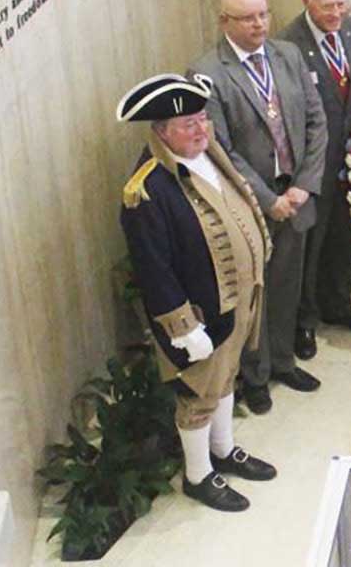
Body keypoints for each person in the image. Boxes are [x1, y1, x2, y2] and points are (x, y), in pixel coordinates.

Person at [117, 73, 278, 512]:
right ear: (161, 132)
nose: (200, 130)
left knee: (226, 377)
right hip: (199, 314)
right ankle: (198, 474)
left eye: (203, 118)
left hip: (237, 300)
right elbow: (153, 268)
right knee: (199, 394)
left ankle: (223, 451)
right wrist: (182, 327)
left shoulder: (211, 156)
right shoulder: (147, 189)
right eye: (188, 124)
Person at [190, 0, 327, 414]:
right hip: (252, 201)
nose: (260, 24)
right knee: (256, 294)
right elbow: (222, 150)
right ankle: (256, 376)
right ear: (225, 21)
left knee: (288, 284)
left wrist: (304, 184)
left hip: (297, 193)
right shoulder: (208, 74)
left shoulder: (287, 55)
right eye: (248, 18)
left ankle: (284, 361)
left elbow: (315, 121)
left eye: (264, 14)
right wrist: (269, 200)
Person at [274, 0, 351, 358]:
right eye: (327, 6)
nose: (336, 13)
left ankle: (339, 305)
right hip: (312, 167)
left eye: (341, 4)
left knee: (344, 238)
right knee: (309, 246)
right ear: (306, 3)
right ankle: (304, 322)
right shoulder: (288, 45)